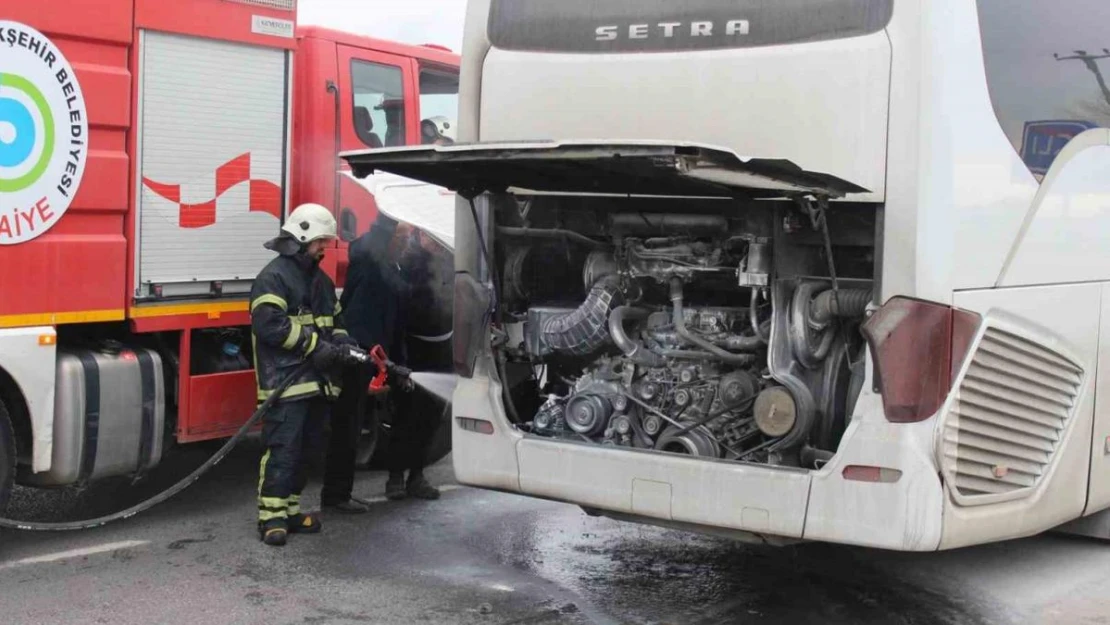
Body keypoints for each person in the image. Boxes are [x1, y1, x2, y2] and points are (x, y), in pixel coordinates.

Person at [250, 202, 362, 546]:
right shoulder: (274, 277)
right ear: (301, 237)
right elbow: (270, 325)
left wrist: (344, 345)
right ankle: (271, 517)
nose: (324, 250)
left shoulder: (322, 282)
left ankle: (292, 510)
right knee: (283, 448)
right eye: (320, 243)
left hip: (317, 382)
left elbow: (336, 322)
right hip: (284, 381)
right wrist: (316, 347)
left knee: (309, 449)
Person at [323, 214, 441, 508]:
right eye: (399, 239)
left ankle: (342, 494)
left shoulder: (393, 268)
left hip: (380, 358)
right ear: (387, 238)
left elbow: (397, 321)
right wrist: (390, 213)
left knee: (362, 425)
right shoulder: (368, 259)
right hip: (356, 356)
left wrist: (399, 366)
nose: (404, 245)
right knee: (347, 427)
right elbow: (370, 242)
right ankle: (336, 496)